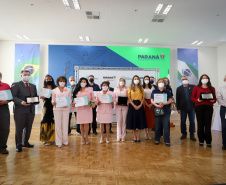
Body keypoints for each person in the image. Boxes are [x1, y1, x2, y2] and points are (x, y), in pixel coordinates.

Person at [11, 70, 38, 152]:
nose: (27, 76)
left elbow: (35, 96)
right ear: (21, 75)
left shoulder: (33, 86)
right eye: (25, 74)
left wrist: (36, 101)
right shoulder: (16, 84)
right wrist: (22, 102)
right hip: (20, 110)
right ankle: (19, 145)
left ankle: (25, 142)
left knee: (28, 128)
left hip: (31, 110)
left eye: (28, 75)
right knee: (19, 129)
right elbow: (13, 97)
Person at [191, 74, 216, 147]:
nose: (204, 79)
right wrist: (197, 100)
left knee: (208, 125)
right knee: (200, 124)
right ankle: (201, 140)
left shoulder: (212, 88)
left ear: (208, 79)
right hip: (199, 107)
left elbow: (214, 98)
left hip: (209, 107)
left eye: (206, 78)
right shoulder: (196, 87)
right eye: (203, 78)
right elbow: (192, 97)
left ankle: (208, 141)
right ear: (200, 80)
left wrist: (213, 100)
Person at [72, 77, 95, 145]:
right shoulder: (77, 91)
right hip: (80, 109)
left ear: (86, 83)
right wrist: (73, 103)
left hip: (87, 109)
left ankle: (87, 137)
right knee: (81, 123)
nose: (83, 83)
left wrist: (91, 103)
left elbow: (93, 99)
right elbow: (74, 100)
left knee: (86, 123)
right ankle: (82, 137)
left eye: (84, 82)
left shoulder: (90, 89)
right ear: (79, 83)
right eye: (82, 82)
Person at [151, 78, 172, 147]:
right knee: (157, 126)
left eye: (162, 82)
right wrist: (156, 105)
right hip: (157, 111)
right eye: (159, 82)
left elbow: (170, 100)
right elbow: (152, 100)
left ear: (164, 83)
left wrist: (164, 103)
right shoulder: (154, 91)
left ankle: (167, 140)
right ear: (157, 83)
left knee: (166, 126)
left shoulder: (167, 91)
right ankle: (157, 139)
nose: (161, 83)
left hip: (166, 111)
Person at [52, 76, 72, 148]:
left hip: (66, 109)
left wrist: (68, 103)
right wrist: (53, 103)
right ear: (58, 82)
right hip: (57, 109)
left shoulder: (68, 90)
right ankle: (58, 142)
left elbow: (70, 99)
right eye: (60, 81)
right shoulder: (54, 90)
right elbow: (53, 100)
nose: (62, 82)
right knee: (58, 125)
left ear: (65, 82)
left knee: (65, 124)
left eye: (63, 81)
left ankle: (65, 141)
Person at [126, 75, 147, 142]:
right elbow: (129, 97)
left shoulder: (141, 88)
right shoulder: (130, 88)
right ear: (133, 80)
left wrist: (140, 105)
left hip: (140, 104)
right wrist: (133, 105)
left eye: (137, 79)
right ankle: (134, 136)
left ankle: (138, 136)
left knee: (140, 121)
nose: (136, 80)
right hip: (132, 105)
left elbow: (143, 97)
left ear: (139, 80)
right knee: (133, 121)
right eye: (135, 79)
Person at [176, 76, 196, 141]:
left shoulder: (193, 87)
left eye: (186, 79)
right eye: (183, 79)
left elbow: (196, 96)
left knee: (192, 121)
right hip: (183, 108)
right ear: (181, 81)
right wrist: (178, 108)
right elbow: (177, 99)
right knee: (182, 121)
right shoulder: (179, 89)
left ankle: (192, 134)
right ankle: (184, 134)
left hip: (192, 108)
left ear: (188, 80)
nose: (184, 80)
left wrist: (195, 106)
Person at [40, 74, 56, 146]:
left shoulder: (55, 88)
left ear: (52, 79)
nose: (48, 80)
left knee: (52, 121)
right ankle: (46, 139)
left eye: (49, 79)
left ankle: (52, 139)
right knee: (45, 121)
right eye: (46, 79)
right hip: (46, 107)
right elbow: (42, 99)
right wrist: (42, 98)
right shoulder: (43, 89)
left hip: (54, 106)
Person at [0, 72, 11, 154]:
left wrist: (6, 101)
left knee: (5, 128)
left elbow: (10, 98)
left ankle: (3, 147)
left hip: (3, 108)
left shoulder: (6, 85)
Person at [143, 75, 155, 140]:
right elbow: (142, 97)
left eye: (148, 79)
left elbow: (154, 96)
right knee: (145, 118)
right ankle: (145, 133)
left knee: (151, 119)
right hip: (144, 103)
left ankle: (149, 133)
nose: (147, 80)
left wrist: (150, 104)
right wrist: (147, 104)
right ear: (144, 80)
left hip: (151, 103)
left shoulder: (152, 87)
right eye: (145, 79)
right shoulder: (142, 87)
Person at [216, 75, 226, 150]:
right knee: (224, 126)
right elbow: (219, 99)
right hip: (224, 109)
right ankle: (225, 144)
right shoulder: (221, 89)